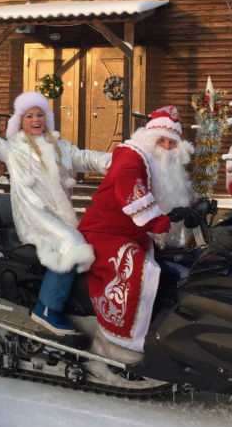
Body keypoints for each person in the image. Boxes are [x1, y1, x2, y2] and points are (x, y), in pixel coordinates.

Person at [0, 91, 111, 338]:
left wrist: (122, 159)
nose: (36, 120)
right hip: (33, 219)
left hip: (59, 220)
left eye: (40, 115)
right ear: (21, 120)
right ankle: (46, 309)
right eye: (30, 116)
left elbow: (90, 159)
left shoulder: (61, 149)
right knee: (70, 244)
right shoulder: (13, 150)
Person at [78, 105, 193, 364]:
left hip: (132, 231)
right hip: (104, 231)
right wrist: (154, 219)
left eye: (171, 142)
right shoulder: (132, 155)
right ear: (148, 138)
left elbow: (172, 196)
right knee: (133, 267)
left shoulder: (162, 166)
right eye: (160, 140)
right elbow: (126, 180)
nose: (165, 146)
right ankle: (113, 343)